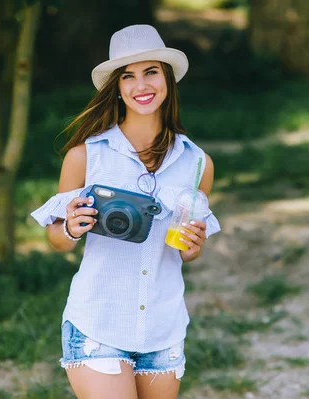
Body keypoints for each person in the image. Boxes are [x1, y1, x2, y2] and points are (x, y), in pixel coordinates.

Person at [30, 24, 220, 399]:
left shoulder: (197, 164)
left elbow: (185, 249)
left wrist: (193, 247)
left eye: (151, 72)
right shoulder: (86, 156)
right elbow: (58, 241)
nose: (141, 86)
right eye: (128, 77)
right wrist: (70, 227)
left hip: (163, 330)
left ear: (167, 79)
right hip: (98, 323)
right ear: (116, 88)